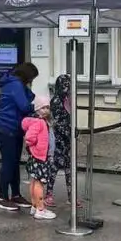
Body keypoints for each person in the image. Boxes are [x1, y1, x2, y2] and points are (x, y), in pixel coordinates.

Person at [0, 62, 37, 212]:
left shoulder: (13, 84)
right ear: (27, 76)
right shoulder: (15, 84)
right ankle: (2, 197)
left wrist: (28, 91)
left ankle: (16, 194)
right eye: (32, 78)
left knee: (14, 163)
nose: (32, 81)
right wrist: (37, 108)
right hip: (6, 128)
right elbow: (25, 106)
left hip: (13, 128)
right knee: (8, 163)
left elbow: (30, 97)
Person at [22, 96, 57, 220]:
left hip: (38, 156)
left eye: (47, 107)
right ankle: (40, 208)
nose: (46, 110)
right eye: (43, 108)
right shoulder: (39, 122)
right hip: (40, 157)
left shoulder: (42, 121)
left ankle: (35, 205)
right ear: (37, 109)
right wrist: (34, 147)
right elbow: (29, 138)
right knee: (39, 183)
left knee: (34, 181)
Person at [46, 74, 74, 208]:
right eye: (64, 85)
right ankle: (48, 194)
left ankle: (71, 196)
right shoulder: (56, 101)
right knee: (55, 167)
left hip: (68, 140)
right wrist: (68, 133)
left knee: (69, 168)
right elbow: (56, 122)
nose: (67, 88)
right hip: (58, 140)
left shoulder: (67, 99)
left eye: (68, 85)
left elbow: (69, 119)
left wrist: (74, 130)